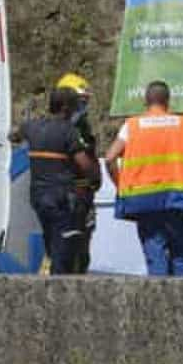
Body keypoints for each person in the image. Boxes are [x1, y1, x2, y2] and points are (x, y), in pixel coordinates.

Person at [104, 81, 183, 276]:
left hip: (145, 202)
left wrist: (121, 185)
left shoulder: (131, 126)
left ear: (146, 101)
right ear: (167, 101)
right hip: (177, 200)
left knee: (155, 257)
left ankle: (157, 303)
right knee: (182, 256)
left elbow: (109, 158)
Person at [15, 87, 100, 275]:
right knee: (63, 251)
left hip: (38, 198)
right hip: (61, 199)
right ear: (65, 107)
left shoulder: (33, 126)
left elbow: (15, 134)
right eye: (74, 106)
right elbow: (84, 164)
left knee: (52, 243)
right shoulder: (68, 131)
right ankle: (58, 291)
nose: (76, 110)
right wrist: (95, 179)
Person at [56, 73, 100, 273]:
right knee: (63, 254)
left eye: (85, 103)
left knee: (82, 255)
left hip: (84, 198)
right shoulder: (54, 130)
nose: (83, 108)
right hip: (64, 199)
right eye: (80, 102)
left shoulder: (83, 128)